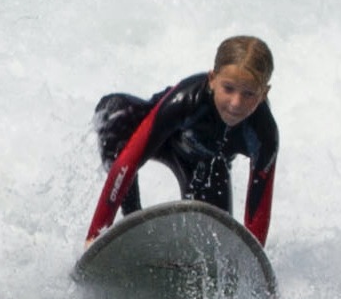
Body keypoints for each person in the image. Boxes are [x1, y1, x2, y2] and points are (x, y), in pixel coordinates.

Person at [87, 35, 277, 244]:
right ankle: (133, 222)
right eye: (228, 89)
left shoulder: (263, 133)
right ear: (212, 79)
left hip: (204, 168)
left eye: (249, 94)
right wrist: (95, 234)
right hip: (159, 139)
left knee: (215, 244)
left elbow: (258, 209)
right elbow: (128, 161)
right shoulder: (187, 99)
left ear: (264, 93)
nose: (235, 103)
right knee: (112, 112)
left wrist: (253, 262)